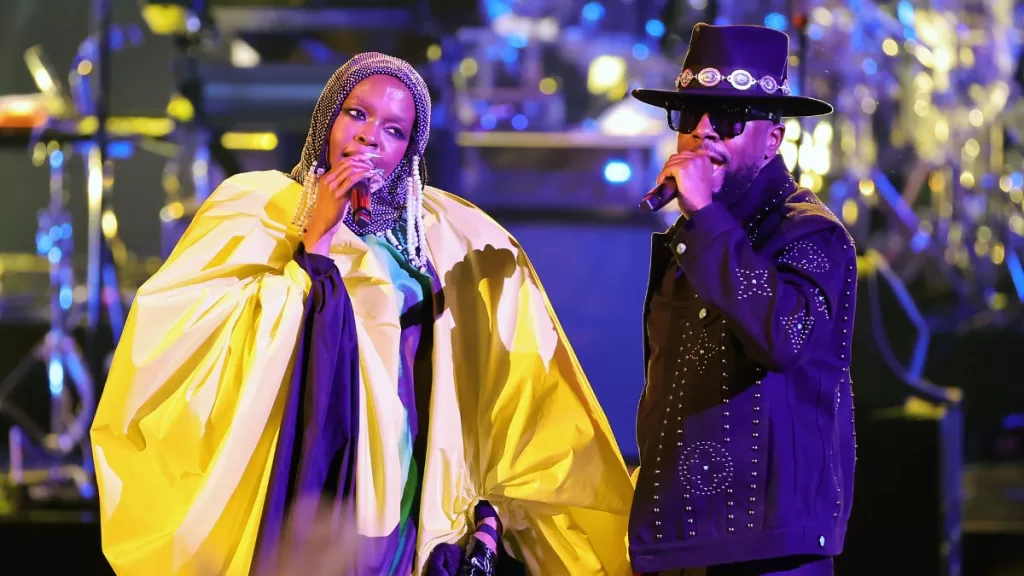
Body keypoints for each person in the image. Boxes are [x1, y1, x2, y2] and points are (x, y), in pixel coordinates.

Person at [90, 52, 634, 576]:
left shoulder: (439, 233)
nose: (371, 135)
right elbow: (185, 341)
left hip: (408, 464)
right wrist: (317, 246)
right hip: (309, 461)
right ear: (328, 118)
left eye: (395, 131)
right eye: (357, 113)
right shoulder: (258, 206)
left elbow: (501, 362)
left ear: (409, 153)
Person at [626, 25, 858, 576]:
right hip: (680, 539)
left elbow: (783, 338)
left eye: (728, 119)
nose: (703, 133)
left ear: (772, 140)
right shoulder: (697, 235)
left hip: (769, 550)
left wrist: (705, 216)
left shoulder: (810, 234)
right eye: (689, 117)